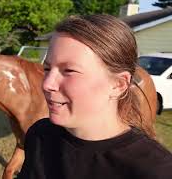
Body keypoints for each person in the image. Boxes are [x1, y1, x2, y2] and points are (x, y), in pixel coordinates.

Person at [17, 14, 172, 179]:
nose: (47, 84)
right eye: (47, 69)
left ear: (118, 84)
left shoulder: (156, 171)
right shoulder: (40, 136)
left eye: (68, 71)